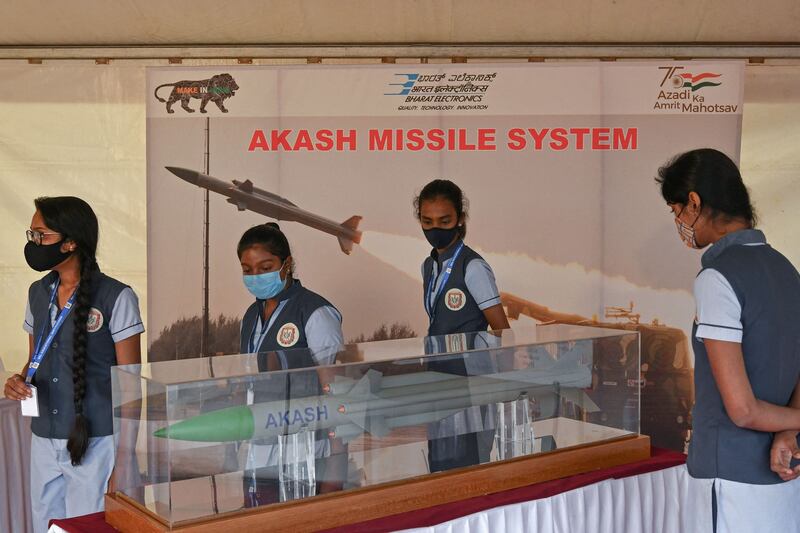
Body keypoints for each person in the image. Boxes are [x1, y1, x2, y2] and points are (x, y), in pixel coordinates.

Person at [656, 148, 800, 532]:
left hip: (730, 475)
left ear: (694, 203)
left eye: (676, 211)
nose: (679, 223)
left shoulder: (717, 279)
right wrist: (788, 431)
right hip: (785, 475)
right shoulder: (787, 270)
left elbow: (743, 410)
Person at [3, 197, 143, 532]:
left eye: (42, 236)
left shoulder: (116, 296)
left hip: (96, 441)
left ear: (71, 242)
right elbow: (35, 360)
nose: (33, 244)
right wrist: (19, 381)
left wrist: (123, 462)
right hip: (44, 437)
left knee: (88, 525)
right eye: (32, 235)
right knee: (45, 526)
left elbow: (131, 384)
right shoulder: (38, 292)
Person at [235, 222, 346, 505]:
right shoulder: (251, 315)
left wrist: (335, 464)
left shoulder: (315, 312)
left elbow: (336, 393)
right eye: (248, 270)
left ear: (287, 264)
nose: (256, 276)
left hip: (308, 452)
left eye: (265, 266)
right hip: (261, 453)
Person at [414, 179, 510, 472]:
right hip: (439, 377)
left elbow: (501, 327)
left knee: (468, 465)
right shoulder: (428, 266)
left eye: (445, 221)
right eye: (427, 221)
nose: (435, 230)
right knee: (441, 462)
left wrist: (492, 376)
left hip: (469, 380)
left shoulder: (473, 267)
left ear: (460, 219)